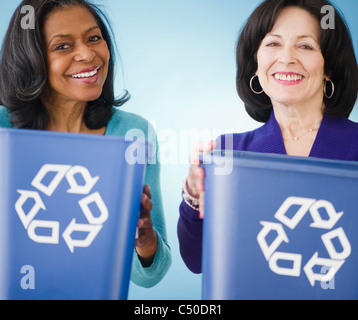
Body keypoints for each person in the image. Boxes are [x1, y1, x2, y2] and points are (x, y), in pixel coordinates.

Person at [178, 0, 358, 274]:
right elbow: (197, 260)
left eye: (306, 46)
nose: (286, 58)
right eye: (273, 44)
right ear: (255, 63)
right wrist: (194, 193)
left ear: (330, 67)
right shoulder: (229, 152)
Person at [0, 0, 171, 288]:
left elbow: (150, 275)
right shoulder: (4, 131)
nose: (87, 53)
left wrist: (143, 238)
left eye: (94, 38)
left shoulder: (132, 133)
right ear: (31, 58)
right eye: (63, 46)